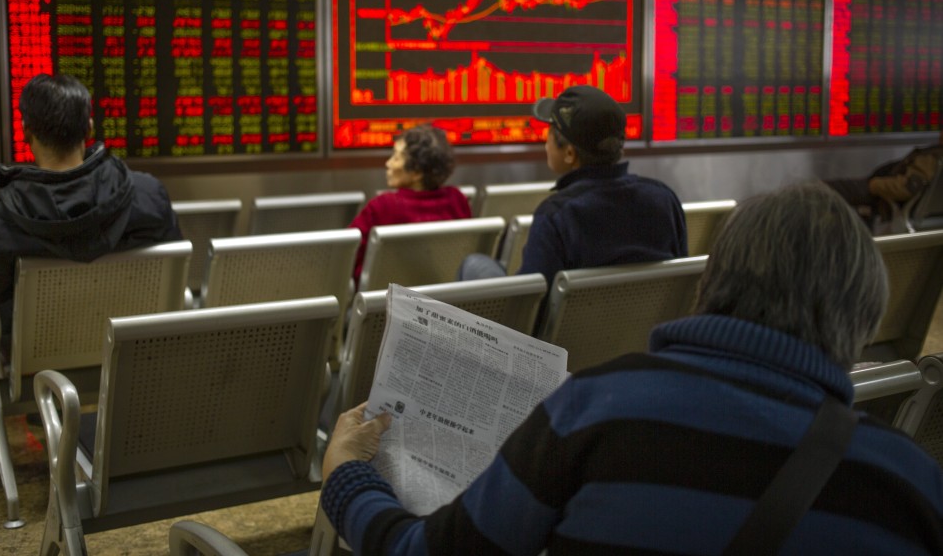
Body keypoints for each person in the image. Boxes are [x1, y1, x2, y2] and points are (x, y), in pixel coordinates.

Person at [320, 182, 943, 554]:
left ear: (711, 282)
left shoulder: (594, 410)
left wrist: (348, 477)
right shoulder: (912, 486)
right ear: (863, 318)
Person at [0, 73, 182, 362]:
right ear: (89, 127)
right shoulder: (149, 195)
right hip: (129, 354)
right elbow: (175, 269)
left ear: (26, 132)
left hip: (36, 367)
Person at [460, 84, 687, 286]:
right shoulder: (664, 199)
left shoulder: (556, 216)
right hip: (643, 330)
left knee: (474, 264)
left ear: (569, 153)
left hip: (559, 335)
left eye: (549, 133)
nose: (546, 143)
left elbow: (529, 310)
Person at [349, 124, 471, 284]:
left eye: (396, 157)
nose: (388, 163)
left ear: (417, 172)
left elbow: (346, 257)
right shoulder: (457, 200)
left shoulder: (383, 207)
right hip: (443, 302)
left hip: (386, 305)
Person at [826, 128, 943, 229]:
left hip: (883, 195)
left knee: (832, 190)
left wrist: (874, 185)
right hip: (887, 192)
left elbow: (907, 188)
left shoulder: (933, 158)